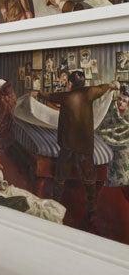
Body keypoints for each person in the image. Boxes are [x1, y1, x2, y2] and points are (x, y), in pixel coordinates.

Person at [39, 69, 118, 225]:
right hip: (84, 144)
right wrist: (111, 85)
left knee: (60, 177)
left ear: (69, 83)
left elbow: (48, 96)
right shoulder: (90, 92)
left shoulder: (65, 96)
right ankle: (92, 213)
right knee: (89, 179)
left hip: (67, 144)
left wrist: (37, 93)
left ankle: (54, 204)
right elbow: (102, 87)